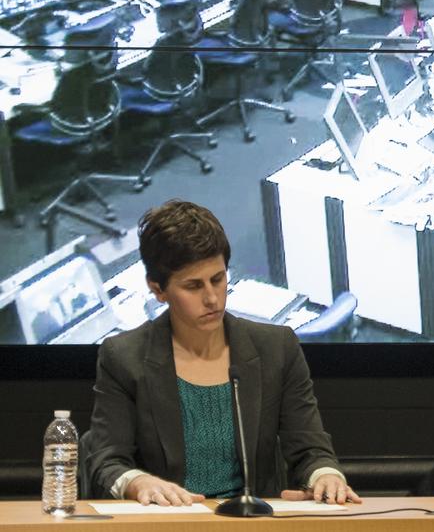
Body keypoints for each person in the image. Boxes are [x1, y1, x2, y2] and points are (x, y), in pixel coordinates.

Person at [83, 200, 360, 506]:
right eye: (193, 286)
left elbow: (311, 450)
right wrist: (138, 482)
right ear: (158, 290)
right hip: (170, 523)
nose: (212, 298)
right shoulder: (124, 357)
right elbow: (106, 461)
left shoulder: (276, 347)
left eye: (218, 279)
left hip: (252, 523)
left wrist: (324, 476)